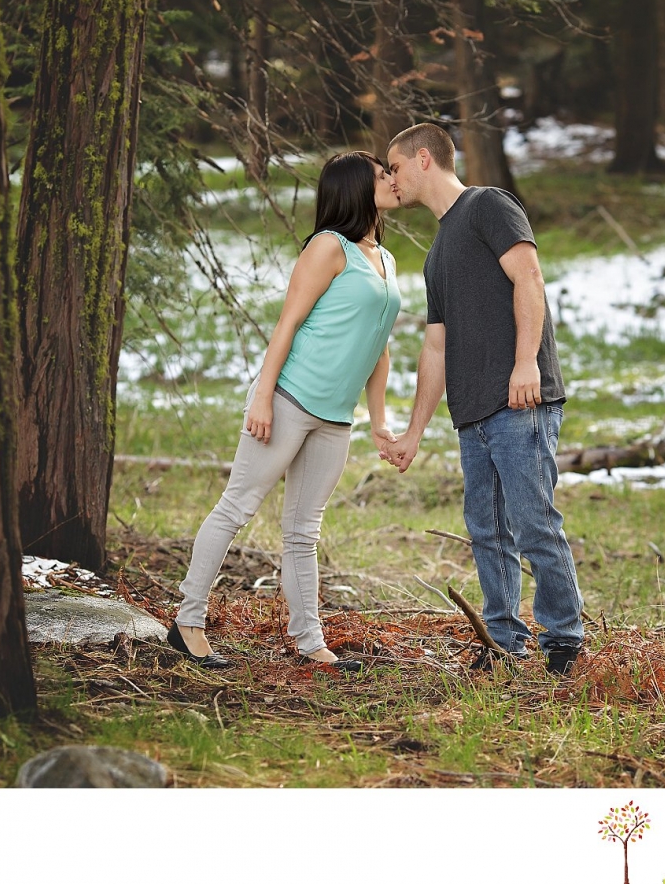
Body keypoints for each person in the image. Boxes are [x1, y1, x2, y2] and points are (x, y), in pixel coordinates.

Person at [168, 151, 401, 672]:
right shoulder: (327, 247)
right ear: (356, 187)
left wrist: (379, 420)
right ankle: (188, 622)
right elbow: (287, 324)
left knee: (303, 531)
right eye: (382, 174)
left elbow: (379, 347)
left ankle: (309, 642)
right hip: (291, 399)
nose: (392, 179)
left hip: (336, 417)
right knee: (237, 507)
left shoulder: (383, 258)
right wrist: (263, 397)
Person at [383, 123, 584, 676]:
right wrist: (414, 432)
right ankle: (503, 640)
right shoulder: (436, 252)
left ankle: (564, 639)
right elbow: (435, 345)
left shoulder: (489, 205)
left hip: (519, 399)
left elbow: (530, 279)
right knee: (486, 529)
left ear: (423, 159)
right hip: (471, 413)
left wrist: (526, 364)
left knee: (532, 520)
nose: (390, 179)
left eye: (394, 167)